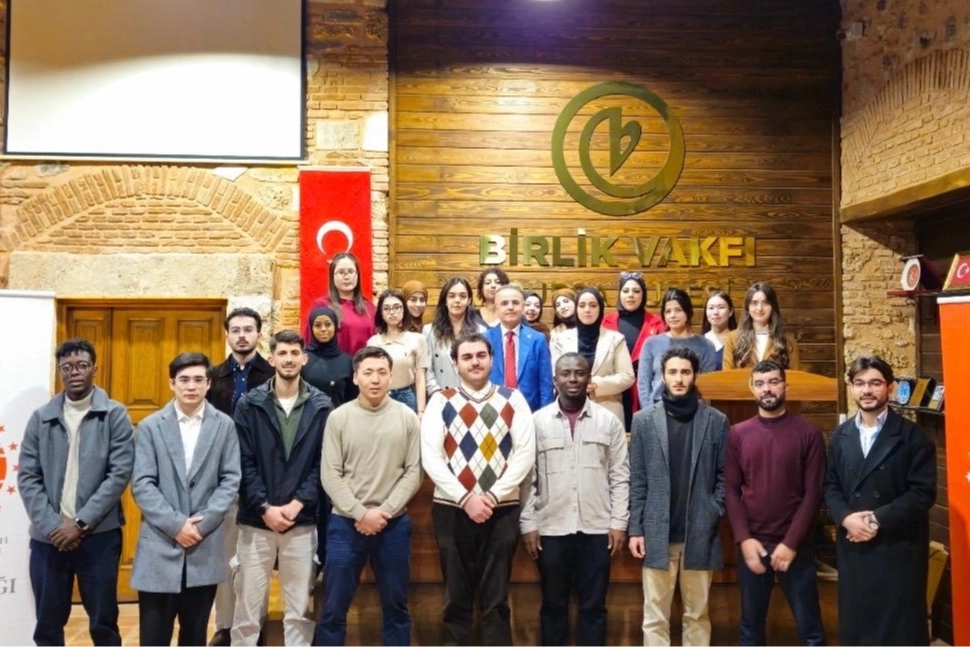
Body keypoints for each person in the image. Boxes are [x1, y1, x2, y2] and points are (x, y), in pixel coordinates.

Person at [421, 332, 536, 646]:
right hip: (451, 509)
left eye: (481, 356)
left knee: (496, 600)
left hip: (502, 509)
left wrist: (492, 496)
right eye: (467, 357)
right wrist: (465, 498)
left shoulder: (513, 399)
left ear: (491, 359)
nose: (475, 362)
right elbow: (431, 457)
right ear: (455, 363)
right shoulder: (440, 401)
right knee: (455, 599)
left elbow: (524, 454)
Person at [18, 339, 134, 647]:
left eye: (82, 365)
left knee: (103, 624)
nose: (74, 372)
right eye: (66, 367)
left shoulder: (115, 415)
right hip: (49, 539)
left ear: (94, 368)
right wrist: (54, 526)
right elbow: (28, 477)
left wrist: (80, 523)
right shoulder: (41, 418)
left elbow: (118, 475)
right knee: (47, 625)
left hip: (99, 537)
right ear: (59, 372)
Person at [824, 356, 936, 647]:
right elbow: (831, 486)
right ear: (851, 387)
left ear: (890, 387)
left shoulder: (913, 437)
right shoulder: (841, 435)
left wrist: (875, 520)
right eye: (859, 383)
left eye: (875, 383)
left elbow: (923, 493)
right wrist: (846, 518)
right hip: (854, 546)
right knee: (858, 625)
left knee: (898, 630)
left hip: (897, 547)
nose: (867, 390)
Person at [130, 353, 241, 647]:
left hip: (203, 545)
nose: (191, 386)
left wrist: (200, 525)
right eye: (184, 380)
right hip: (159, 545)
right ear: (172, 383)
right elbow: (142, 483)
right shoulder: (151, 426)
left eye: (198, 380)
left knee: (194, 635)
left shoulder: (224, 425)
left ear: (208, 384)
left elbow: (230, 479)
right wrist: (176, 525)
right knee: (153, 637)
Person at [521, 353, 630, 647]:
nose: (573, 379)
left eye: (580, 373)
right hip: (550, 530)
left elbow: (620, 476)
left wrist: (619, 522)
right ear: (555, 380)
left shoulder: (608, 422)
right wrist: (528, 523)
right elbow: (527, 479)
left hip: (597, 529)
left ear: (589, 379)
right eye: (566, 373)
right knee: (553, 606)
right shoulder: (536, 423)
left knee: (594, 608)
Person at [316, 347, 423, 646]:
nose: (375, 379)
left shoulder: (407, 417)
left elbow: (414, 471)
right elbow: (330, 473)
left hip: (393, 524)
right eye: (368, 372)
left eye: (381, 372)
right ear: (355, 377)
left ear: (390, 377)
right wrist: (360, 513)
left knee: (396, 607)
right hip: (345, 524)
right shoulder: (338, 417)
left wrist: (384, 511)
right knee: (333, 609)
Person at [232, 331, 333, 647]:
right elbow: (242, 461)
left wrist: (298, 503)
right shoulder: (249, 404)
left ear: (304, 358)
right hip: (255, 520)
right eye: (282, 353)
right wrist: (264, 507)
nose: (288, 359)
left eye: (294, 353)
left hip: (301, 521)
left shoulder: (322, 405)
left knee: (299, 612)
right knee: (247, 614)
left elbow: (324, 463)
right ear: (271, 358)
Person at [628, 347, 728, 647]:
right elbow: (638, 479)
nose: (679, 378)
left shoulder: (716, 420)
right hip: (656, 532)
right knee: (654, 617)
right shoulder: (643, 420)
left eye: (685, 372)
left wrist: (713, 509)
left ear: (695, 375)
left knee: (697, 615)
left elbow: (726, 475)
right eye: (672, 372)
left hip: (700, 531)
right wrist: (636, 528)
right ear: (663, 375)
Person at [725, 360, 826, 647]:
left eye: (773, 382)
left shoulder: (809, 434)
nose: (767, 389)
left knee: (811, 630)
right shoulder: (738, 434)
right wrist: (744, 539)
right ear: (751, 388)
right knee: (750, 629)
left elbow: (813, 494)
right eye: (760, 383)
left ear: (785, 386)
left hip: (796, 545)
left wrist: (791, 543)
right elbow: (730, 490)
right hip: (754, 545)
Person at [206, 307, 274, 647]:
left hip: (261, 476)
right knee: (224, 554)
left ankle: (254, 624)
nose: (242, 335)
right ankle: (225, 625)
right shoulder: (213, 377)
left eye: (249, 329)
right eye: (236, 330)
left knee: (256, 557)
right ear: (227, 335)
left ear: (259, 334)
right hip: (223, 477)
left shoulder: (272, 375)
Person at [551, 287, 634, 424]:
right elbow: (556, 374)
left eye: (593, 305)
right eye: (582, 305)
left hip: (607, 411)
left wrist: (595, 384)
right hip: (569, 411)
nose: (587, 310)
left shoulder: (616, 339)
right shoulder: (561, 339)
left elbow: (627, 376)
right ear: (576, 309)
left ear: (600, 309)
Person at [602, 271, 665, 429]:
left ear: (643, 295)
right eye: (626, 291)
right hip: (613, 388)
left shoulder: (657, 322)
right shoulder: (605, 321)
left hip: (645, 388)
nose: (631, 295)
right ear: (619, 294)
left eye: (636, 291)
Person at [637, 288, 718, 405]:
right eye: (668, 311)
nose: (672, 315)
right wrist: (648, 410)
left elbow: (707, 385)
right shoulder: (651, 343)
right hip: (658, 405)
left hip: (693, 406)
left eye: (678, 310)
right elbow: (643, 382)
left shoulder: (706, 345)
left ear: (688, 312)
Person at [485, 283, 555, 412]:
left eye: (515, 302)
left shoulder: (537, 340)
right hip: (492, 412)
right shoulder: (485, 339)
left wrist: (544, 415)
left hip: (530, 412)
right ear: (497, 308)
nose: (510, 307)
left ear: (522, 307)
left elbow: (546, 384)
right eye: (504, 303)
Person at [367, 289, 429, 414]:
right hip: (381, 396)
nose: (392, 312)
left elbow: (420, 377)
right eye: (386, 308)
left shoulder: (417, 339)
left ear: (404, 310)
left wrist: (421, 411)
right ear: (381, 313)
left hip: (406, 396)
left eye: (397, 307)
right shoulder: (373, 342)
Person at [306, 252, 376, 356]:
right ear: (332, 276)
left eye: (351, 271)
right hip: (333, 364)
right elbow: (309, 341)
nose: (346, 277)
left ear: (357, 274)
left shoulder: (369, 308)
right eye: (341, 272)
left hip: (365, 363)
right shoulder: (322, 305)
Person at [424, 276, 485, 395]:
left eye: (462, 296)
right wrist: (437, 394)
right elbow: (427, 370)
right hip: (441, 395)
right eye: (452, 296)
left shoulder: (481, 331)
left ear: (469, 300)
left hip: (473, 395)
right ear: (445, 301)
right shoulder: (430, 331)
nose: (457, 300)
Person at [723, 283, 800, 370]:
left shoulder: (787, 339)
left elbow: (795, 375)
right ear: (747, 307)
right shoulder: (732, 338)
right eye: (754, 303)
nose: (759, 308)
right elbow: (727, 374)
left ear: (773, 306)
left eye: (765, 303)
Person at [302, 306, 356, 408]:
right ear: (311, 328)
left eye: (328, 324)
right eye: (318, 325)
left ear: (335, 326)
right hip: (308, 417)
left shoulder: (347, 361)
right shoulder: (303, 359)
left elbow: (352, 399)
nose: (323, 329)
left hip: (338, 416)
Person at [702, 291, 737, 370]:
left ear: (731, 311)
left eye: (721, 307)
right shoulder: (699, 341)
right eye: (711, 308)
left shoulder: (737, 340)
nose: (715, 312)